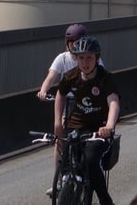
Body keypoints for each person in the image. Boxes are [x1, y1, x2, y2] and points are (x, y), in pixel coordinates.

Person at [54, 37, 120, 205]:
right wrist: (57, 122)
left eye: (89, 57)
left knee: (90, 161)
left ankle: (105, 200)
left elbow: (113, 102)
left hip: (98, 129)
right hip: (75, 126)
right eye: (81, 58)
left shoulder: (105, 78)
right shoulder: (71, 76)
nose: (85, 62)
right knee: (68, 165)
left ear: (97, 58)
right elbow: (60, 95)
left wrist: (109, 126)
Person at [38, 24, 87, 102]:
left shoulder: (91, 58)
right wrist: (43, 91)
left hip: (86, 100)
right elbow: (50, 77)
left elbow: (100, 77)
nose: (73, 45)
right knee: (61, 113)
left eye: (76, 42)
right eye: (70, 42)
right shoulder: (62, 58)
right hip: (65, 100)